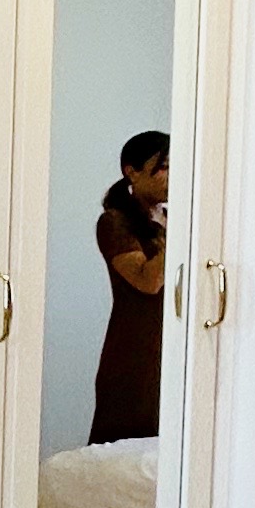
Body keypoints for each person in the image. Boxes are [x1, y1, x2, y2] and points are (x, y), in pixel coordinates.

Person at [89, 131, 172, 443]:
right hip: (136, 349)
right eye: (164, 167)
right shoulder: (115, 222)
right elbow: (148, 281)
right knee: (127, 440)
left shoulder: (169, 216)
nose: (172, 176)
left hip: (173, 340)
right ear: (132, 172)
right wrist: (177, 232)